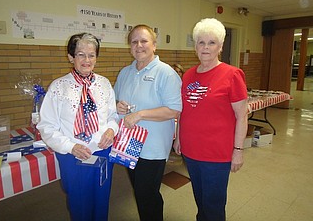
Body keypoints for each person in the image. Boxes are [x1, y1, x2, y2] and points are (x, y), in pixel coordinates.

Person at [37, 32, 119, 221]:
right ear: (71, 57)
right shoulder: (58, 87)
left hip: (102, 152)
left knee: (101, 200)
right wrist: (71, 147)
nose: (87, 60)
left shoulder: (104, 84)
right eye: (81, 54)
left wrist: (111, 130)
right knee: (79, 203)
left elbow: (113, 115)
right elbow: (47, 127)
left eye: (91, 55)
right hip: (73, 155)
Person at [173, 18, 248, 221]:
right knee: (200, 200)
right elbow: (183, 111)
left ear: (220, 46)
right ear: (195, 46)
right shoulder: (188, 75)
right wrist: (178, 137)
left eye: (211, 42)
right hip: (191, 151)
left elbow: (242, 115)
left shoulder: (232, 75)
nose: (205, 47)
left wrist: (238, 151)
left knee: (213, 205)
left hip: (216, 154)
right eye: (201, 42)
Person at [114, 24, 182, 221]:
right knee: (140, 191)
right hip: (129, 143)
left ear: (154, 45)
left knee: (147, 194)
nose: (139, 45)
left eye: (144, 41)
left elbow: (174, 109)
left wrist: (141, 114)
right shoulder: (125, 72)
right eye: (134, 42)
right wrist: (118, 105)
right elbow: (116, 100)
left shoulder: (166, 73)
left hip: (153, 147)